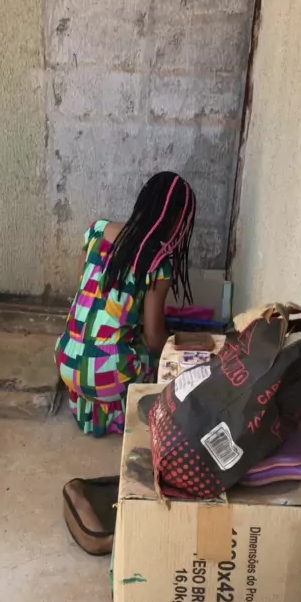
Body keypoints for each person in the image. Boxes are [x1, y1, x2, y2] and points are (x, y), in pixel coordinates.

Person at [55, 171, 196, 437]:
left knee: (105, 345)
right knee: (154, 359)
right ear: (173, 218)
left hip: (67, 360)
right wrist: (181, 355)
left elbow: (87, 293)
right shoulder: (157, 263)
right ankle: (122, 411)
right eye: (182, 220)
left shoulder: (96, 231)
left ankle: (94, 410)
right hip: (108, 376)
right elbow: (154, 338)